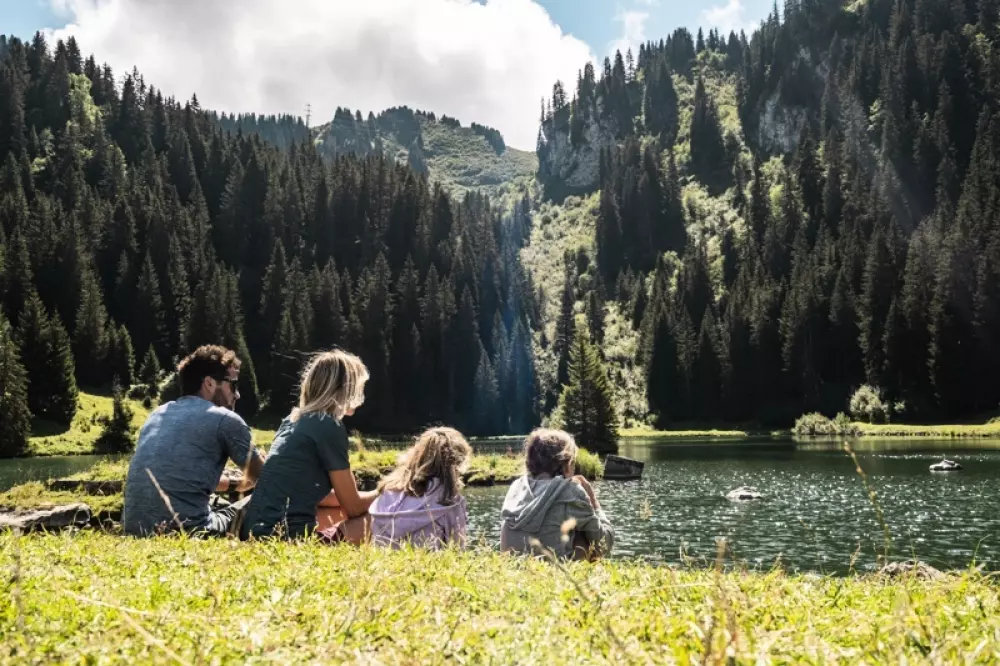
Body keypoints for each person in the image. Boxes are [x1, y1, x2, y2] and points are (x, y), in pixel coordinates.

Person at [123, 345, 264, 537]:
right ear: (209, 383)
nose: (237, 394)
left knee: (214, 501)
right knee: (271, 496)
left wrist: (234, 483)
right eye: (233, 384)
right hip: (194, 533)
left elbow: (183, 478)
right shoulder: (224, 420)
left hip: (135, 531)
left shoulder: (157, 414)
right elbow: (266, 479)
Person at [241, 349, 376, 544]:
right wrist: (384, 491)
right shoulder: (328, 425)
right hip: (285, 538)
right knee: (380, 516)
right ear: (345, 388)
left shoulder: (291, 420)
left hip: (255, 531)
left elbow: (311, 494)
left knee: (335, 509)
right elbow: (353, 507)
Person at [499, 428, 614, 560]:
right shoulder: (570, 490)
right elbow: (605, 543)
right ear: (566, 464)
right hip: (552, 575)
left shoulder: (516, 488)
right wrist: (593, 500)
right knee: (583, 537)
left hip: (512, 572)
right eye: (573, 463)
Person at [370, 426, 472, 550]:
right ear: (456, 464)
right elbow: (457, 549)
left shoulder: (389, 492)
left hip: (384, 565)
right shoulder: (450, 501)